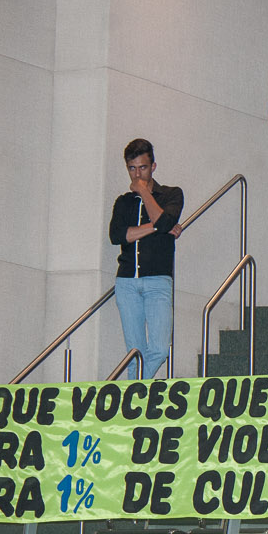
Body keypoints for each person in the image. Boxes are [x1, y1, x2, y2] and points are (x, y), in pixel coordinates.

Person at [108, 137, 184, 379]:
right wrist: (158, 227)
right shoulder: (123, 202)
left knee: (160, 349)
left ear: (153, 166)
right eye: (132, 168)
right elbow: (118, 235)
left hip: (158, 281)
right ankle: (133, 397)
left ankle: (127, 392)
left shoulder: (171, 194)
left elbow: (165, 221)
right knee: (135, 354)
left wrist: (143, 191)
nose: (137, 174)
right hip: (127, 282)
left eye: (142, 167)